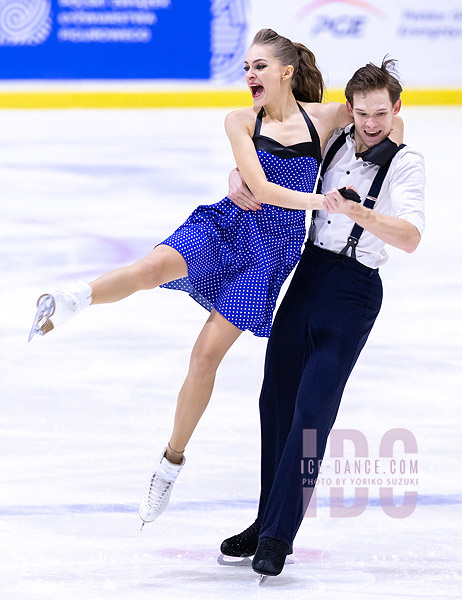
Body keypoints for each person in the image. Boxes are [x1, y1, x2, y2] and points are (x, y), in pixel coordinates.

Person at [28, 30, 401, 530]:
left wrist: (378, 173)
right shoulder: (240, 120)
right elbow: (263, 186)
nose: (249, 74)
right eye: (247, 66)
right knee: (151, 268)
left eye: (260, 66)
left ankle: (169, 463)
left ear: (286, 72)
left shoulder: (328, 117)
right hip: (227, 225)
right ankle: (73, 298)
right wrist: (313, 200)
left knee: (205, 356)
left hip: (269, 253)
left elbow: (387, 124)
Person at [220, 58, 425, 577]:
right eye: (362, 113)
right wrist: (236, 178)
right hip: (307, 277)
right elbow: (275, 154)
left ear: (396, 110)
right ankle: (266, 517)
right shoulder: (332, 139)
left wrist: (362, 213)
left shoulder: (406, 163)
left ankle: (277, 535)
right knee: (276, 402)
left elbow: (410, 237)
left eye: (381, 114)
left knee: (313, 412)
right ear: (350, 110)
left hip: (354, 292)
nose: (372, 123)